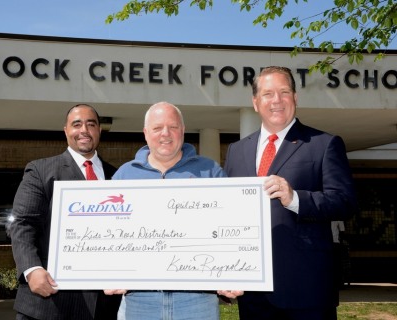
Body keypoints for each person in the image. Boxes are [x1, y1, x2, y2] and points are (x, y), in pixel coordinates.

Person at [223, 66, 357, 320]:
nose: (277, 100)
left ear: (295, 98)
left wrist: (295, 199)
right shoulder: (236, 150)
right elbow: (230, 216)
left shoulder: (323, 144)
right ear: (255, 102)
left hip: (306, 290)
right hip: (253, 292)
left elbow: (345, 202)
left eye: (284, 92)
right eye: (268, 94)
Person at [105, 101, 242, 320]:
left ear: (183, 131)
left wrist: (232, 274)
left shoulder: (210, 171)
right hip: (139, 300)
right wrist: (107, 271)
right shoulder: (124, 175)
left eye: (173, 127)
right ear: (146, 133)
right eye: (157, 128)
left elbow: (231, 228)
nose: (165, 134)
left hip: (197, 300)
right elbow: (107, 232)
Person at [9, 104, 121, 320]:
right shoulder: (40, 171)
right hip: (49, 305)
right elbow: (22, 223)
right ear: (66, 130)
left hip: (104, 307)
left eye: (91, 124)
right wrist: (32, 269)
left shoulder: (117, 176)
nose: (84, 131)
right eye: (76, 124)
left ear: (99, 130)